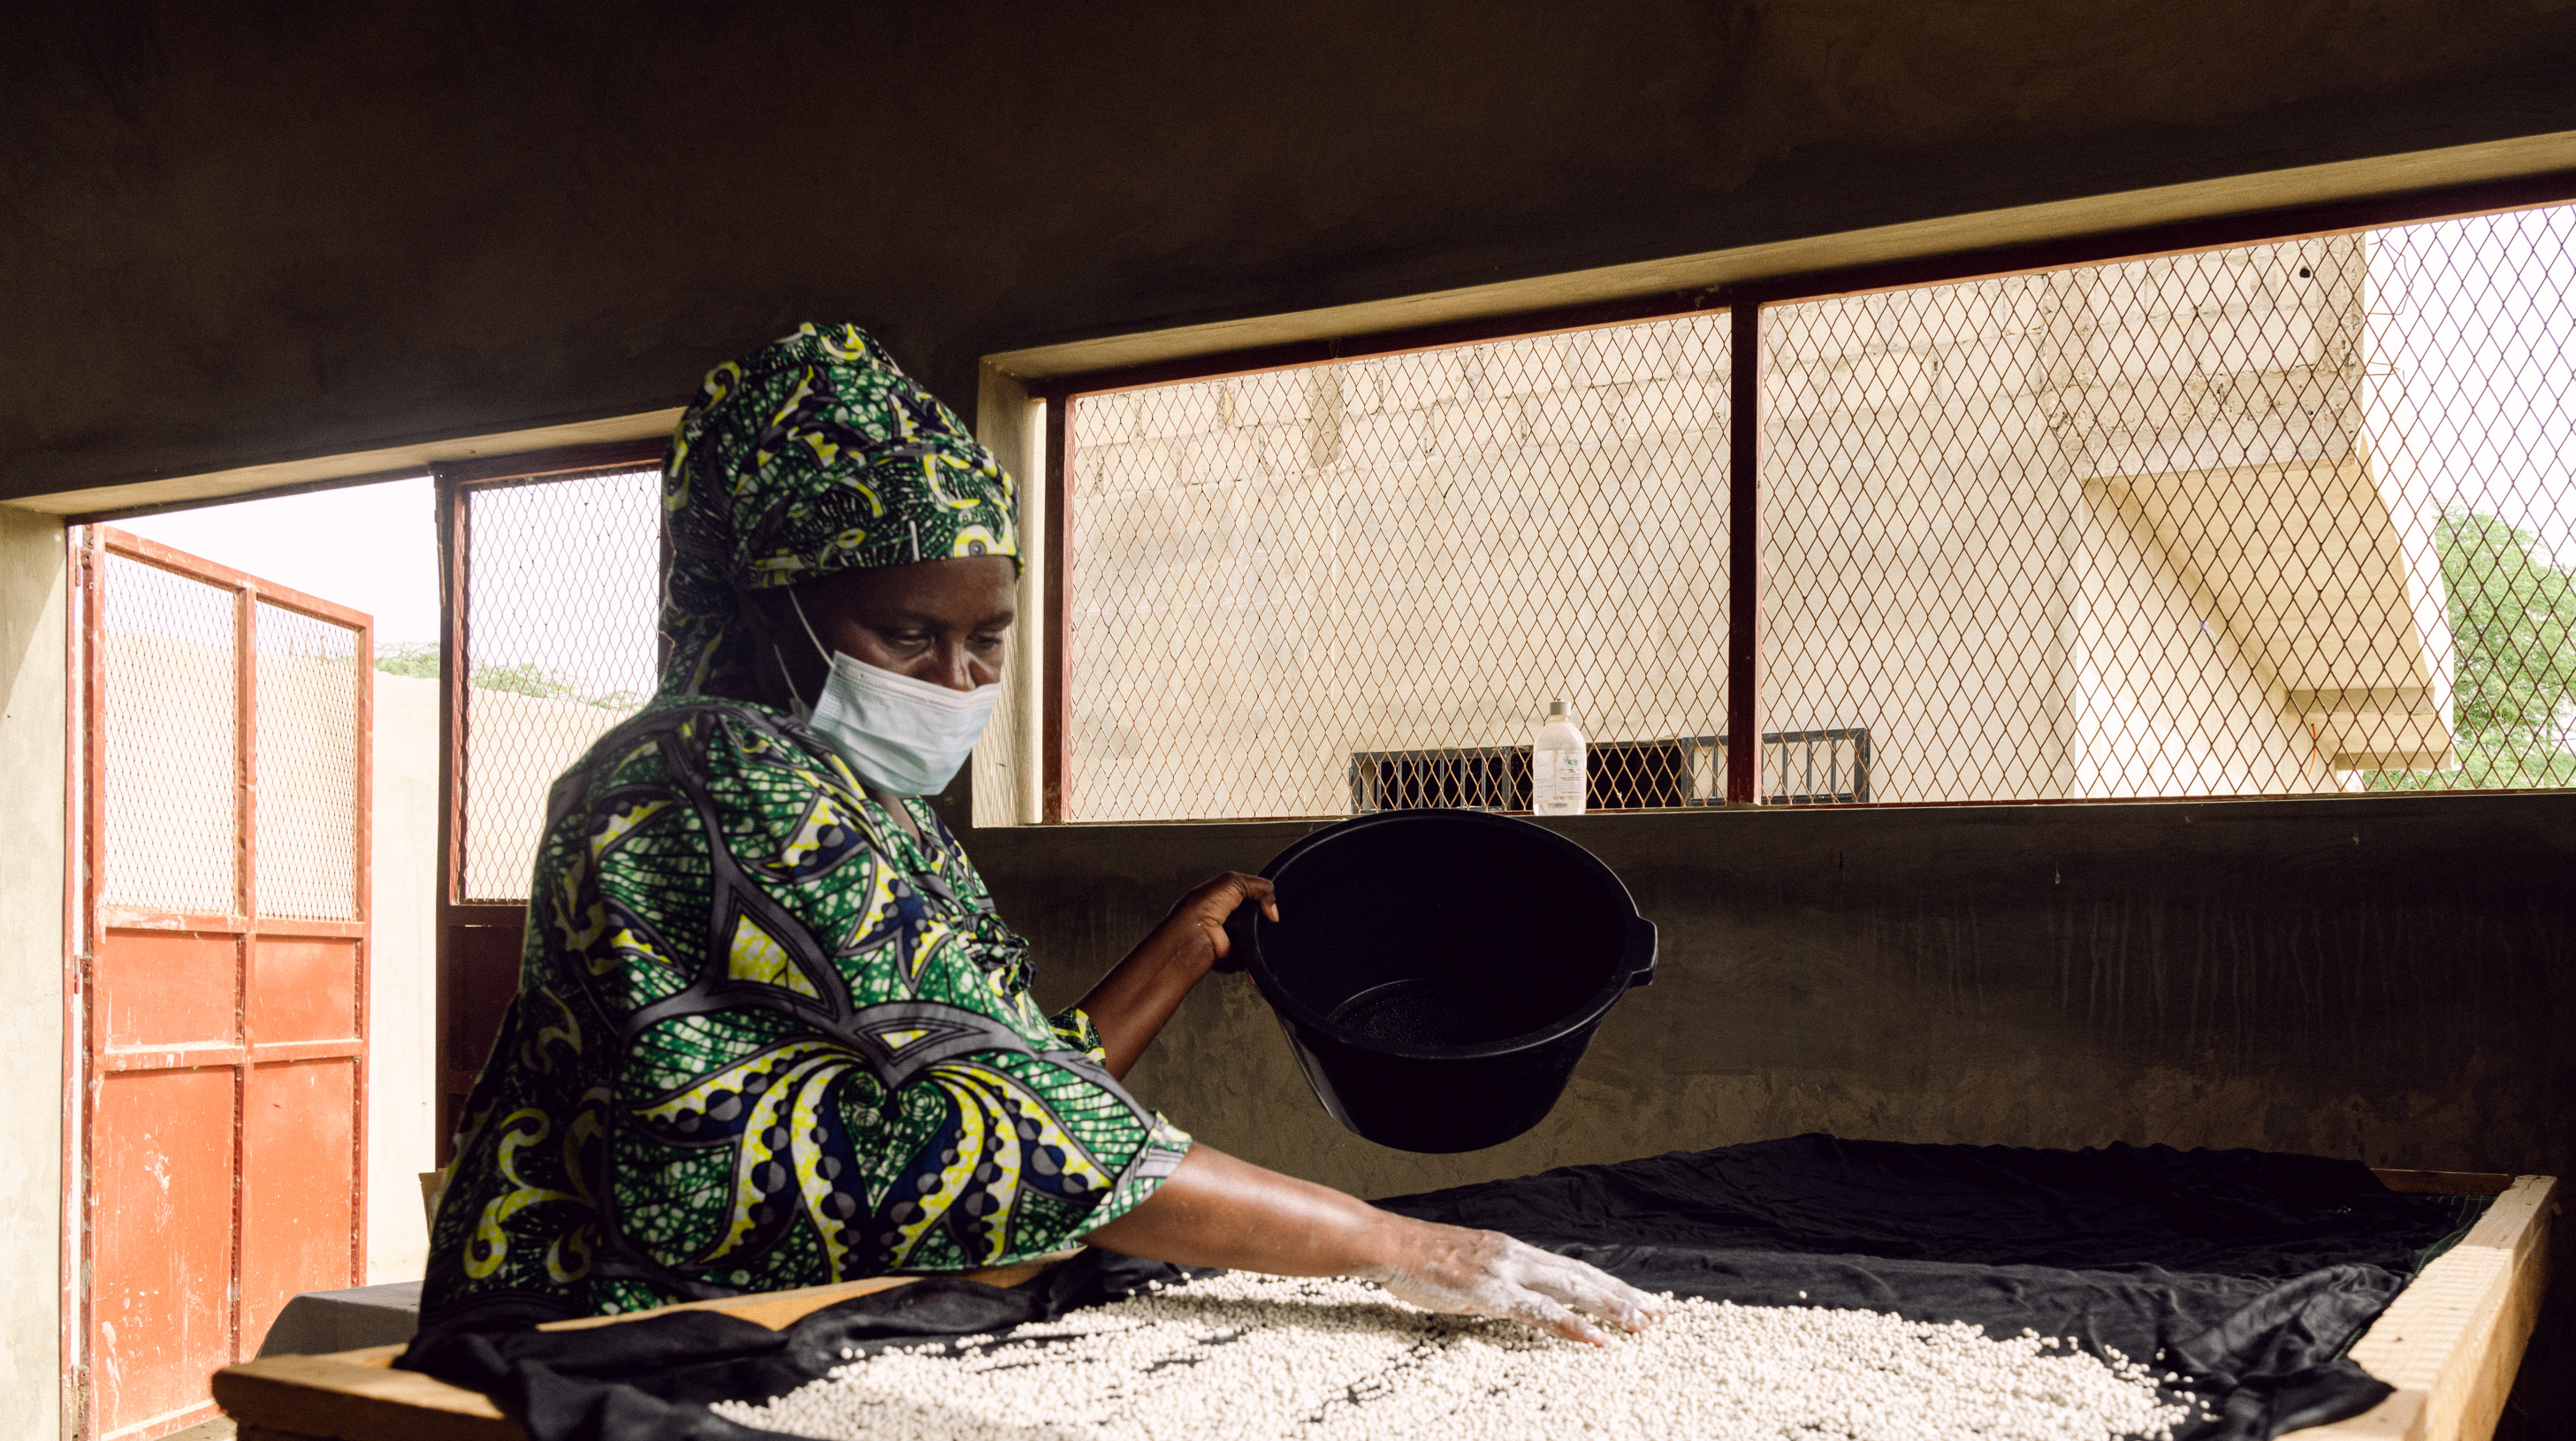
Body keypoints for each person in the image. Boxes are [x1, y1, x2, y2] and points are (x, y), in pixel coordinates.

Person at [420, 320, 1654, 1348]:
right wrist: (1398, 1246)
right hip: (609, 1347)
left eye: (988, 638)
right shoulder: (701, 770)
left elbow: (1009, 1085)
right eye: (908, 634)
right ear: (769, 609)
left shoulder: (877, 806)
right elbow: (996, 1132)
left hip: (779, 1321)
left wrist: (1180, 952)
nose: (956, 678)